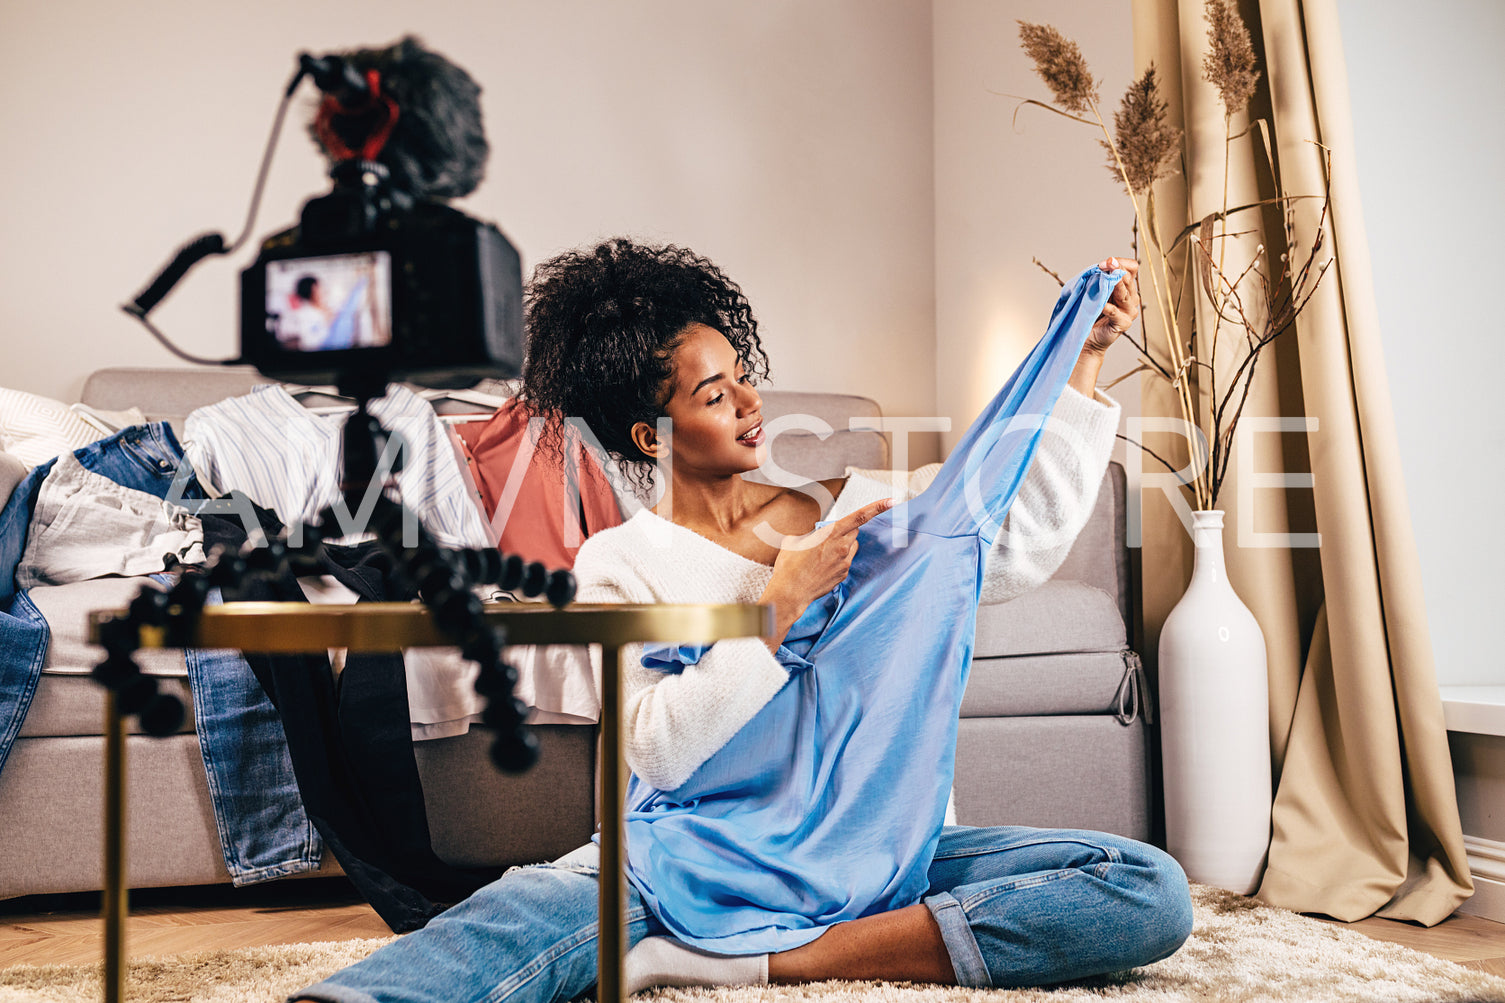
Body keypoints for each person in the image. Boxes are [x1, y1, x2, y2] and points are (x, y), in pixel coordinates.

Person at [295, 239, 1193, 1003]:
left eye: (744, 377)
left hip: (881, 848)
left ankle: (758, 960)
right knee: (525, 909)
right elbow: (657, 749)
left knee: (1142, 888)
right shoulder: (623, 563)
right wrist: (773, 611)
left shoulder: (856, 510)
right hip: (701, 851)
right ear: (653, 433)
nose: (752, 402)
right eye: (716, 393)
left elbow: (1013, 537)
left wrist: (1080, 356)